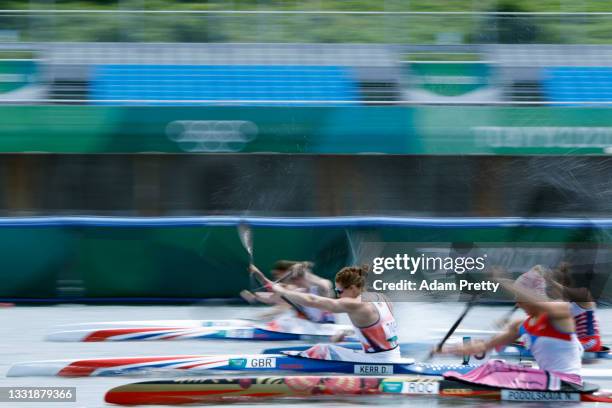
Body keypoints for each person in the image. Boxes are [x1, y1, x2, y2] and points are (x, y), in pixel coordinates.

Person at [440, 266, 584, 391]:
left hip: (567, 383)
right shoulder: (521, 325)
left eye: (519, 297)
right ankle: (465, 383)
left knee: (495, 370)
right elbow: (486, 346)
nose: (517, 303)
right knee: (492, 365)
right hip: (546, 382)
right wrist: (449, 350)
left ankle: (472, 386)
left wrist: (502, 281)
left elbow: (540, 304)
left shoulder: (561, 311)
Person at [250, 264, 401, 363]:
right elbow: (380, 326)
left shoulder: (354, 304)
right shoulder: (382, 298)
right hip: (393, 356)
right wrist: (348, 330)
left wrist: (280, 290)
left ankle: (283, 364)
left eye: (340, 291)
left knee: (322, 349)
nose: (338, 295)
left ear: (354, 288)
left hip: (377, 361)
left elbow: (312, 300)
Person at [547, 261, 603, 352]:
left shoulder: (583, 296)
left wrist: (551, 281)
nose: (549, 292)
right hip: (576, 343)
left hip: (591, 342)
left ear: (560, 284)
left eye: (550, 288)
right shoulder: (559, 305)